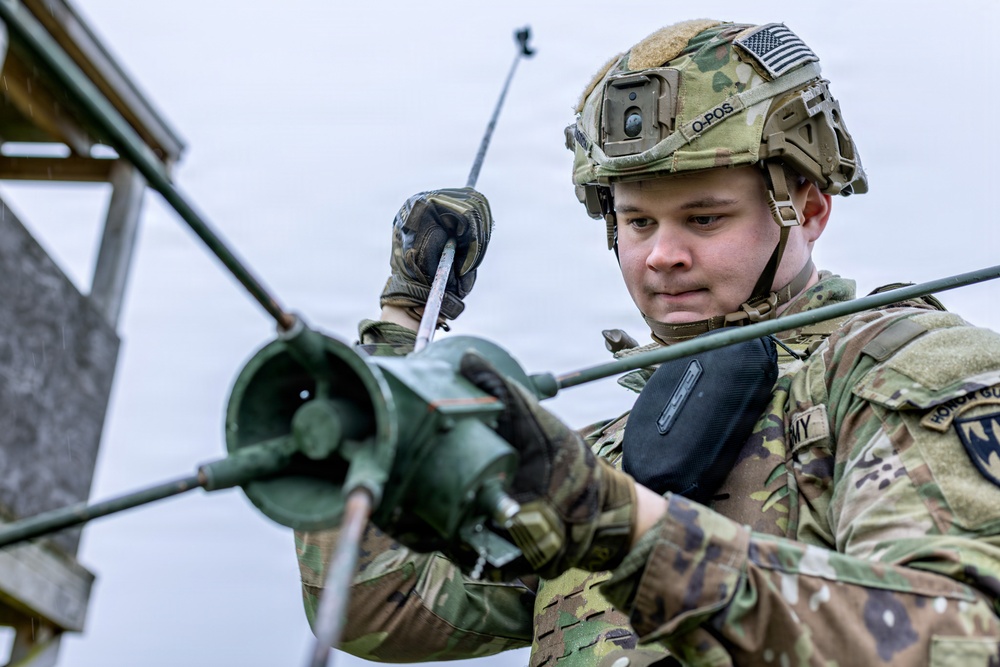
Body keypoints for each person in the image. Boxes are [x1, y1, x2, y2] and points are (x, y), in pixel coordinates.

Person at [295, 19, 1000, 666]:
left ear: (809, 207)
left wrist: (625, 530)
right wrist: (398, 328)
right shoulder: (600, 458)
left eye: (703, 217)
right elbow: (379, 604)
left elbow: (964, 641)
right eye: (637, 224)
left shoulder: (902, 370)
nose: (662, 255)